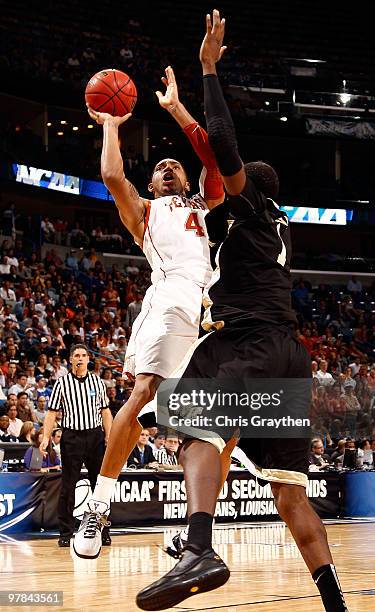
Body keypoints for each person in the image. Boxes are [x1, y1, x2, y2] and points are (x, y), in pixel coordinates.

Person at [136, 11, 348, 612]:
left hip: (248, 340)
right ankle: (335, 604)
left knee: (186, 414)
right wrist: (179, 115)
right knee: (290, 497)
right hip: (290, 356)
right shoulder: (277, 226)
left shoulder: (247, 202)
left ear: (242, 187)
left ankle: (198, 545)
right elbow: (210, 152)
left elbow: (221, 147)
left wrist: (207, 70)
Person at [73, 66, 224, 558]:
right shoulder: (144, 211)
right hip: (173, 297)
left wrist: (177, 109)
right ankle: (97, 508)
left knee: (196, 421)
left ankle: (192, 529)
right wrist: (112, 125)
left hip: (205, 309)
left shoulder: (202, 204)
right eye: (159, 167)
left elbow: (215, 165)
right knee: (143, 397)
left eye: (173, 165)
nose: (167, 167)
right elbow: (113, 175)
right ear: (153, 185)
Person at [40, 344, 113, 548]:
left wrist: (110, 435)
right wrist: (46, 437)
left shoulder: (97, 382)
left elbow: (105, 412)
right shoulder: (62, 383)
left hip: (95, 436)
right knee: (68, 486)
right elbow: (52, 413)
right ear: (71, 360)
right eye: (76, 355)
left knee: (100, 485)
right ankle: (65, 531)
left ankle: (103, 529)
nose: (80, 358)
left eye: (83, 355)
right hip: (72, 437)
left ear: (89, 359)